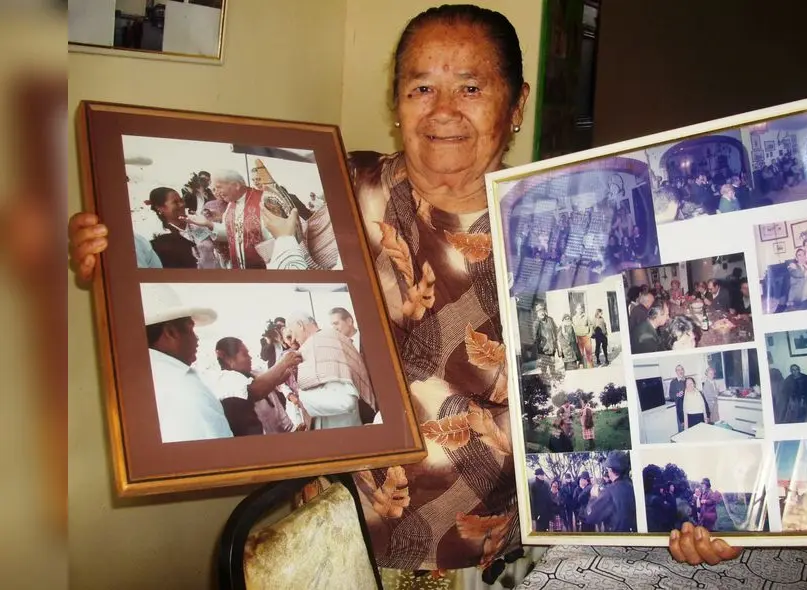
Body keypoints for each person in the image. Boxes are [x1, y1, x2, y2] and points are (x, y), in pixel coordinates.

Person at [68, 3, 738, 578]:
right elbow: (235, 267)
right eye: (421, 88)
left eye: (470, 87)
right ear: (396, 102)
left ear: (517, 103)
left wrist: (697, 515)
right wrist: (118, 263)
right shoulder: (338, 190)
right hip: (337, 536)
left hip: (496, 549)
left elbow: (629, 388)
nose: (443, 111)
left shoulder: (572, 223)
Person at [141, 284, 233, 443]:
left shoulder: (145, 377)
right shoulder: (184, 387)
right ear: (171, 332)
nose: (196, 338)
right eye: (191, 329)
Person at [213, 337, 301, 436]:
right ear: (227, 359)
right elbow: (257, 390)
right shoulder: (226, 379)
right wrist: (284, 363)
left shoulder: (254, 372)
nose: (250, 358)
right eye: (245, 354)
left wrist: (290, 368)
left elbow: (275, 380)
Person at [583, 451, 637, 532]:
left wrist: (593, 497)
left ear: (610, 470)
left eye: (607, 470)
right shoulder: (633, 486)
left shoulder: (609, 492)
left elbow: (590, 518)